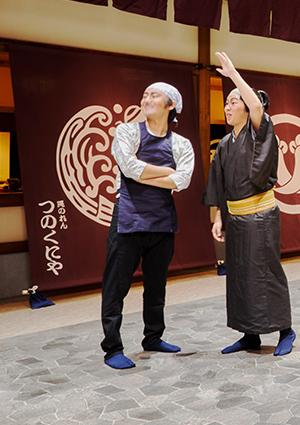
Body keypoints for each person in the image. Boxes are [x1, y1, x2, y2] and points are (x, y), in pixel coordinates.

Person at [202, 52, 295, 356]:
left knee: (267, 272)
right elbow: (218, 184)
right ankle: (249, 333)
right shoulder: (226, 145)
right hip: (236, 219)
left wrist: (232, 74)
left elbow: (256, 103)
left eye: (233, 101)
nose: (228, 107)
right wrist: (218, 217)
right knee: (240, 275)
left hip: (262, 215)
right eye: (226, 103)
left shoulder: (260, 131)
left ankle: (286, 330)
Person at [101, 82, 195, 369]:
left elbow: (183, 180)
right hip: (128, 220)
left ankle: (153, 337)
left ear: (171, 106)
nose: (146, 98)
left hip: (162, 223)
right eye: (144, 94)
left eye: (154, 95)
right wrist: (166, 171)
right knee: (116, 286)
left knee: (157, 286)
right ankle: (113, 348)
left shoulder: (181, 144)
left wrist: (151, 174)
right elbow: (128, 167)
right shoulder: (128, 131)